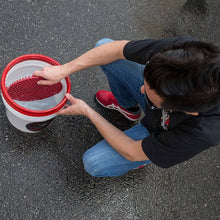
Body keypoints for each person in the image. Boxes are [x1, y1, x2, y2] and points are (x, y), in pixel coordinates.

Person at [33, 37, 220, 177]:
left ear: (189, 111)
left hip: (160, 133)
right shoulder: (188, 56)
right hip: (167, 105)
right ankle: (128, 109)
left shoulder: (204, 132)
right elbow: (116, 49)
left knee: (95, 163)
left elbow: (131, 150)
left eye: (147, 92)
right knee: (104, 47)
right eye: (145, 82)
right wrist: (64, 69)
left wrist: (87, 111)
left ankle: (148, 153)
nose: (140, 88)